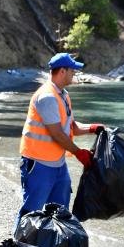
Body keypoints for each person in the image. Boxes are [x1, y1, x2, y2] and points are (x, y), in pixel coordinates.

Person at [16, 53, 103, 225]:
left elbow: (70, 127)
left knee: (59, 211)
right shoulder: (47, 97)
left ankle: (54, 245)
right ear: (62, 71)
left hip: (57, 164)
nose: (74, 74)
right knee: (31, 211)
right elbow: (56, 133)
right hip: (38, 164)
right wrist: (78, 153)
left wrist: (92, 128)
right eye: (73, 71)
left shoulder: (63, 95)